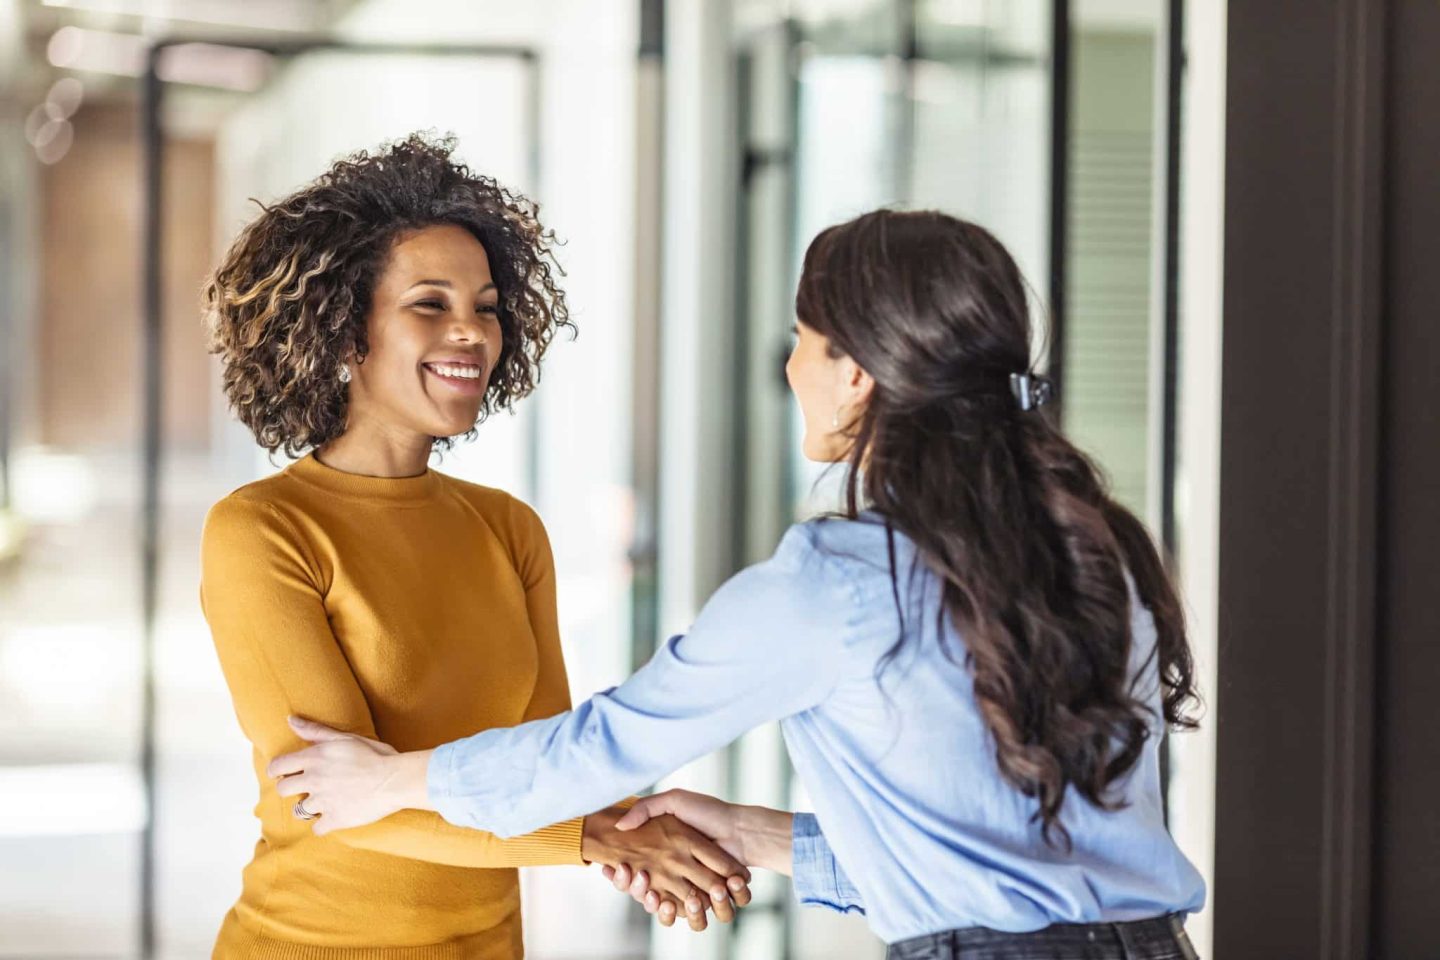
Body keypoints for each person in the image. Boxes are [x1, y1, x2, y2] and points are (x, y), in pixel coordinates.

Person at [271, 208, 1207, 959]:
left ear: (855, 376)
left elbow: (604, 747)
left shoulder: (836, 582)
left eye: (803, 338)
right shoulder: (1096, 549)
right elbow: (1002, 847)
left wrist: (393, 779)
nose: (791, 365)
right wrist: (751, 835)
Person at [198, 133, 749, 959]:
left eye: (487, 307)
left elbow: (549, 770)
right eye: (430, 304)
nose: (472, 333)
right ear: (347, 334)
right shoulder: (263, 530)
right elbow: (337, 800)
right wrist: (601, 839)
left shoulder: (508, 529)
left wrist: (612, 826)